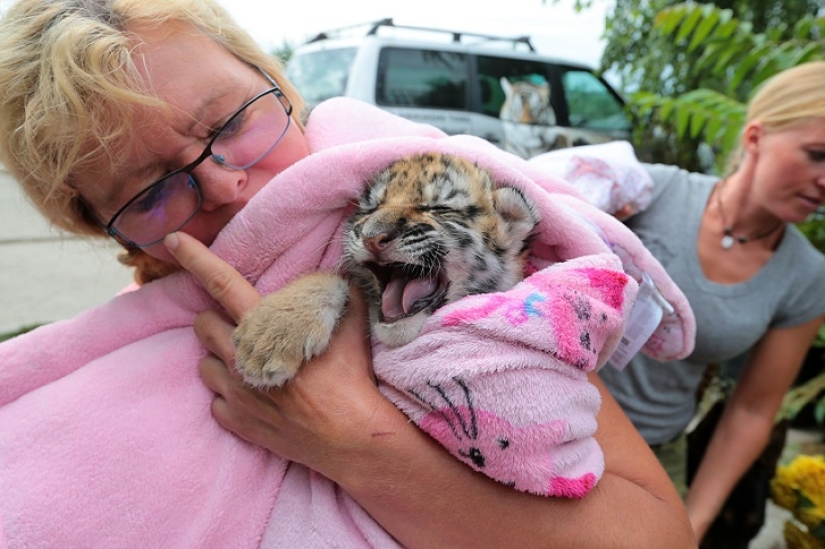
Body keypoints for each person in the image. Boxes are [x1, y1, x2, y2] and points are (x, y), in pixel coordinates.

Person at [0, 0, 696, 547]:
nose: (226, 187)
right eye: (152, 192)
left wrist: (356, 442)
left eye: (232, 120)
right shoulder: (133, 342)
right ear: (104, 226)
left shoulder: (435, 242)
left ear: (279, 84)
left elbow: (655, 535)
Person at [598, 61, 825, 546]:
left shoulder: (806, 277)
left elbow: (752, 411)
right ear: (756, 136)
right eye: (817, 154)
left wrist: (692, 521)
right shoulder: (647, 194)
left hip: (650, 459)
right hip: (538, 424)